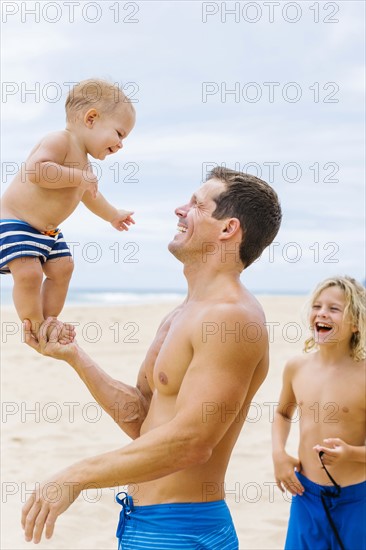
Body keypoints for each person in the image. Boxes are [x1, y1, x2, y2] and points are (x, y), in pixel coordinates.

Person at [21, 168, 282, 548]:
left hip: (183, 531)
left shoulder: (232, 318)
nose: (179, 209)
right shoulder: (181, 314)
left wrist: (76, 475)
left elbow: (193, 441)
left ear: (228, 229)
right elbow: (145, 419)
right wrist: (76, 357)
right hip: (141, 523)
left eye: (196, 205)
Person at [0, 78, 136, 343]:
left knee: (63, 268)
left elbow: (92, 198)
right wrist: (78, 177)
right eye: (119, 133)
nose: (121, 144)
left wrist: (113, 214)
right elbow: (37, 171)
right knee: (29, 273)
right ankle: (35, 325)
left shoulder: (85, 167)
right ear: (91, 118)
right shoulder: (60, 141)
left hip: (48, 232)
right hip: (16, 223)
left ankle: (49, 320)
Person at [272, 276, 366, 550]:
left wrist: (351, 453)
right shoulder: (296, 367)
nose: (322, 312)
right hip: (306, 495)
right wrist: (279, 453)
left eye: (334, 309)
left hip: (357, 499)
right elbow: (282, 414)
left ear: (356, 324)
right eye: (317, 306)